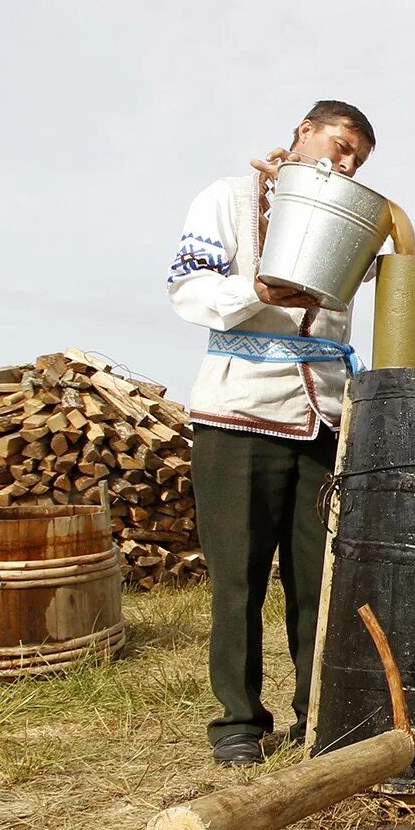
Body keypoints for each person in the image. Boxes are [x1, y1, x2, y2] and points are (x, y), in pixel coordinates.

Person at [166, 101, 376, 767]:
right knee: (240, 581)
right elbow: (187, 290)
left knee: (321, 581)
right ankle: (237, 724)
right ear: (303, 133)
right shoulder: (228, 199)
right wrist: (256, 288)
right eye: (339, 146)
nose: (344, 163)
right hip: (239, 418)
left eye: (357, 159)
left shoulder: (351, 223)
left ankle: (319, 714)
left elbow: (378, 276)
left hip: (323, 424)